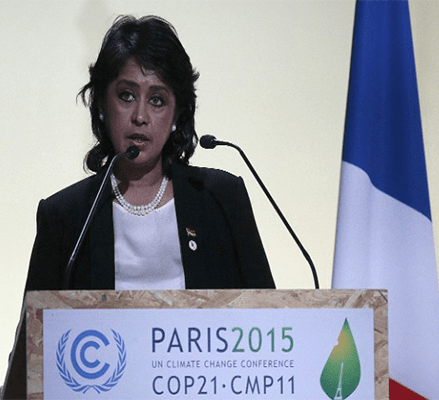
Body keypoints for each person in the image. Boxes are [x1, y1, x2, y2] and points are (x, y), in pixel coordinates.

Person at [24, 15, 275, 291]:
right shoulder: (65, 216)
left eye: (157, 100)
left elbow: (265, 320)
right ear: (101, 105)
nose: (140, 116)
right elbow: (34, 331)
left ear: (177, 113)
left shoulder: (221, 198)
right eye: (126, 96)